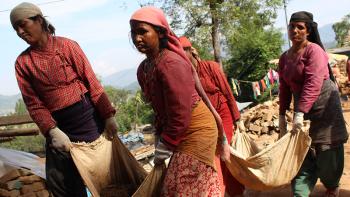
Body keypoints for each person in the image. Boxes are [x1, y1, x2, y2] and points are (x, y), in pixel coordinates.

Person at [10, 2, 117, 197]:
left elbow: (91, 81)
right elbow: (33, 103)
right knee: (62, 183)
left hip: (87, 120)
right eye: (15, 28)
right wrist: (52, 131)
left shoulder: (66, 46)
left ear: (39, 20)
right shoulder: (23, 63)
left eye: (23, 24)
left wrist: (108, 115)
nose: (20, 31)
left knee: (103, 178)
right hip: (59, 127)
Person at [130, 6, 226, 196]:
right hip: (178, 130)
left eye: (143, 32)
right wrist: (160, 136)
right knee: (174, 186)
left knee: (185, 184)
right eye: (133, 33)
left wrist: (166, 143)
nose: (137, 38)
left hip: (197, 129)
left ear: (159, 32)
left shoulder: (171, 63)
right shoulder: (144, 69)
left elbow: (180, 113)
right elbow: (159, 109)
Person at [278, 11, 348, 197]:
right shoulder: (284, 57)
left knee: (327, 152)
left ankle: (332, 185)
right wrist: (282, 115)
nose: (294, 30)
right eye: (292, 26)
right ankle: (300, 192)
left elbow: (313, 82)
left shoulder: (314, 51)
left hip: (325, 108)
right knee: (301, 152)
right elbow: (284, 87)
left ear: (308, 31)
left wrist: (299, 113)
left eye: (300, 27)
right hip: (303, 109)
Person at [179, 36, 245, 196]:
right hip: (206, 121)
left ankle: (234, 192)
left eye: (183, 52)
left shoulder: (211, 67)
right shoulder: (184, 77)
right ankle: (222, 190)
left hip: (223, 115)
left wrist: (238, 118)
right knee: (212, 159)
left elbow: (228, 93)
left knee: (224, 154)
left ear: (190, 51)